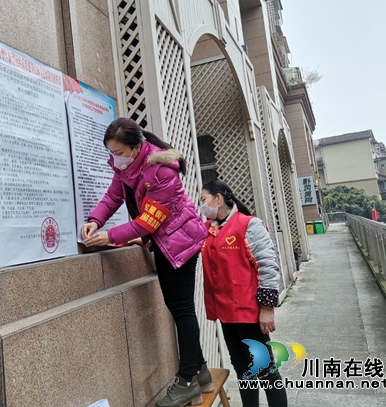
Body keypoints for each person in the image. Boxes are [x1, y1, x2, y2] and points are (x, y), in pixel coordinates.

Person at [82, 118, 211, 407]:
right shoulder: (126, 165)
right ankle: (200, 371)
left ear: (136, 147)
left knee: (182, 311)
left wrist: (109, 237)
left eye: (118, 152)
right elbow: (113, 196)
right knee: (179, 309)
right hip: (165, 243)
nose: (114, 158)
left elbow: (146, 223)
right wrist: (94, 220)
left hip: (180, 245)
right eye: (110, 152)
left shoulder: (162, 171)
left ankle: (188, 381)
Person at [200, 180, 288, 407]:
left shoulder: (249, 225)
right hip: (227, 314)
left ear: (218, 198)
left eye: (203, 200)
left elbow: (268, 267)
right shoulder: (210, 230)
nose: (202, 206)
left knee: (267, 372)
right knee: (243, 371)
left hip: (250, 313)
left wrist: (267, 309)